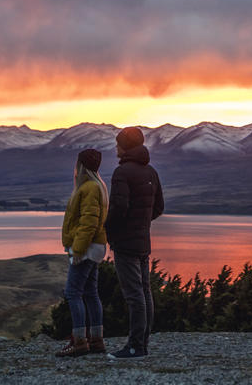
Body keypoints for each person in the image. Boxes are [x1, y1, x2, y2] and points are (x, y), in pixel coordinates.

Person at [105, 126, 164, 359]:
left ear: (125, 146)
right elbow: (159, 208)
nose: (115, 147)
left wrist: (108, 228)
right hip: (142, 240)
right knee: (145, 292)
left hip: (125, 243)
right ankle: (142, 344)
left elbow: (119, 207)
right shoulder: (151, 172)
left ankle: (135, 347)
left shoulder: (122, 173)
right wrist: (140, 223)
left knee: (134, 295)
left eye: (118, 143)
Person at [55, 148, 109, 357]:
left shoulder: (89, 188)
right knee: (90, 292)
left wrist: (77, 249)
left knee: (73, 293)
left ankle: (79, 341)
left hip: (86, 247)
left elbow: (89, 221)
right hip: (94, 246)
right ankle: (96, 340)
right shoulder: (98, 186)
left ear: (81, 166)